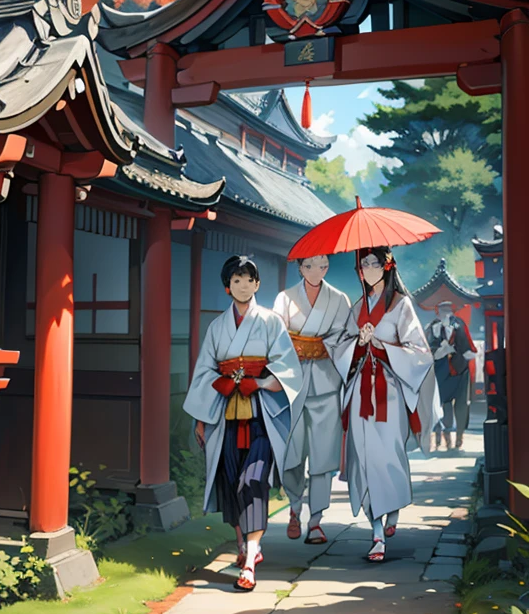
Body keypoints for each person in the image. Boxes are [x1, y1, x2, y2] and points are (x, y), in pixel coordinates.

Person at [184, 255, 301, 592]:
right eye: (236, 280)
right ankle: (244, 546)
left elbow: (288, 368)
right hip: (225, 415)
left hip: (260, 414)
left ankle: (250, 560)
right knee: (231, 481)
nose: (243, 285)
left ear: (258, 284)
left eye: (249, 279)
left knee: (253, 482)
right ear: (227, 286)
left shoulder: (271, 322)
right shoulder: (217, 327)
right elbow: (205, 372)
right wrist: (202, 420)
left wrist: (261, 383)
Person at [330, 247, 436, 563]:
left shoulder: (401, 306)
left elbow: (420, 352)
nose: (368, 269)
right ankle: (376, 533)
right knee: (363, 459)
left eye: (374, 263)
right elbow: (341, 350)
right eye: (363, 265)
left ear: (387, 267)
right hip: (362, 390)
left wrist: (384, 346)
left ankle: (392, 511)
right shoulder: (356, 308)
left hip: (389, 391)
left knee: (389, 455)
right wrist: (359, 343)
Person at [273, 255, 350, 544]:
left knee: (322, 454)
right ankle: (294, 507)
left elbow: (345, 338)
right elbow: (275, 336)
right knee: (291, 451)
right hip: (291, 383)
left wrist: (321, 347)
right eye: (308, 266)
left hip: (326, 381)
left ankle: (316, 519)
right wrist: (293, 347)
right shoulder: (284, 298)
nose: (315, 271)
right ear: (300, 268)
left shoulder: (339, 299)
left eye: (321, 266)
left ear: (327, 268)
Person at [425, 300, 477, 450]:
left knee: (461, 405)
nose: (445, 313)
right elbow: (428, 346)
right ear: (438, 311)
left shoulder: (459, 324)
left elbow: (468, 348)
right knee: (441, 403)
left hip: (460, 370)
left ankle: (459, 437)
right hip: (441, 370)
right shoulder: (433, 326)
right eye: (443, 310)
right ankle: (442, 438)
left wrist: (454, 350)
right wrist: (439, 351)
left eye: (448, 310)